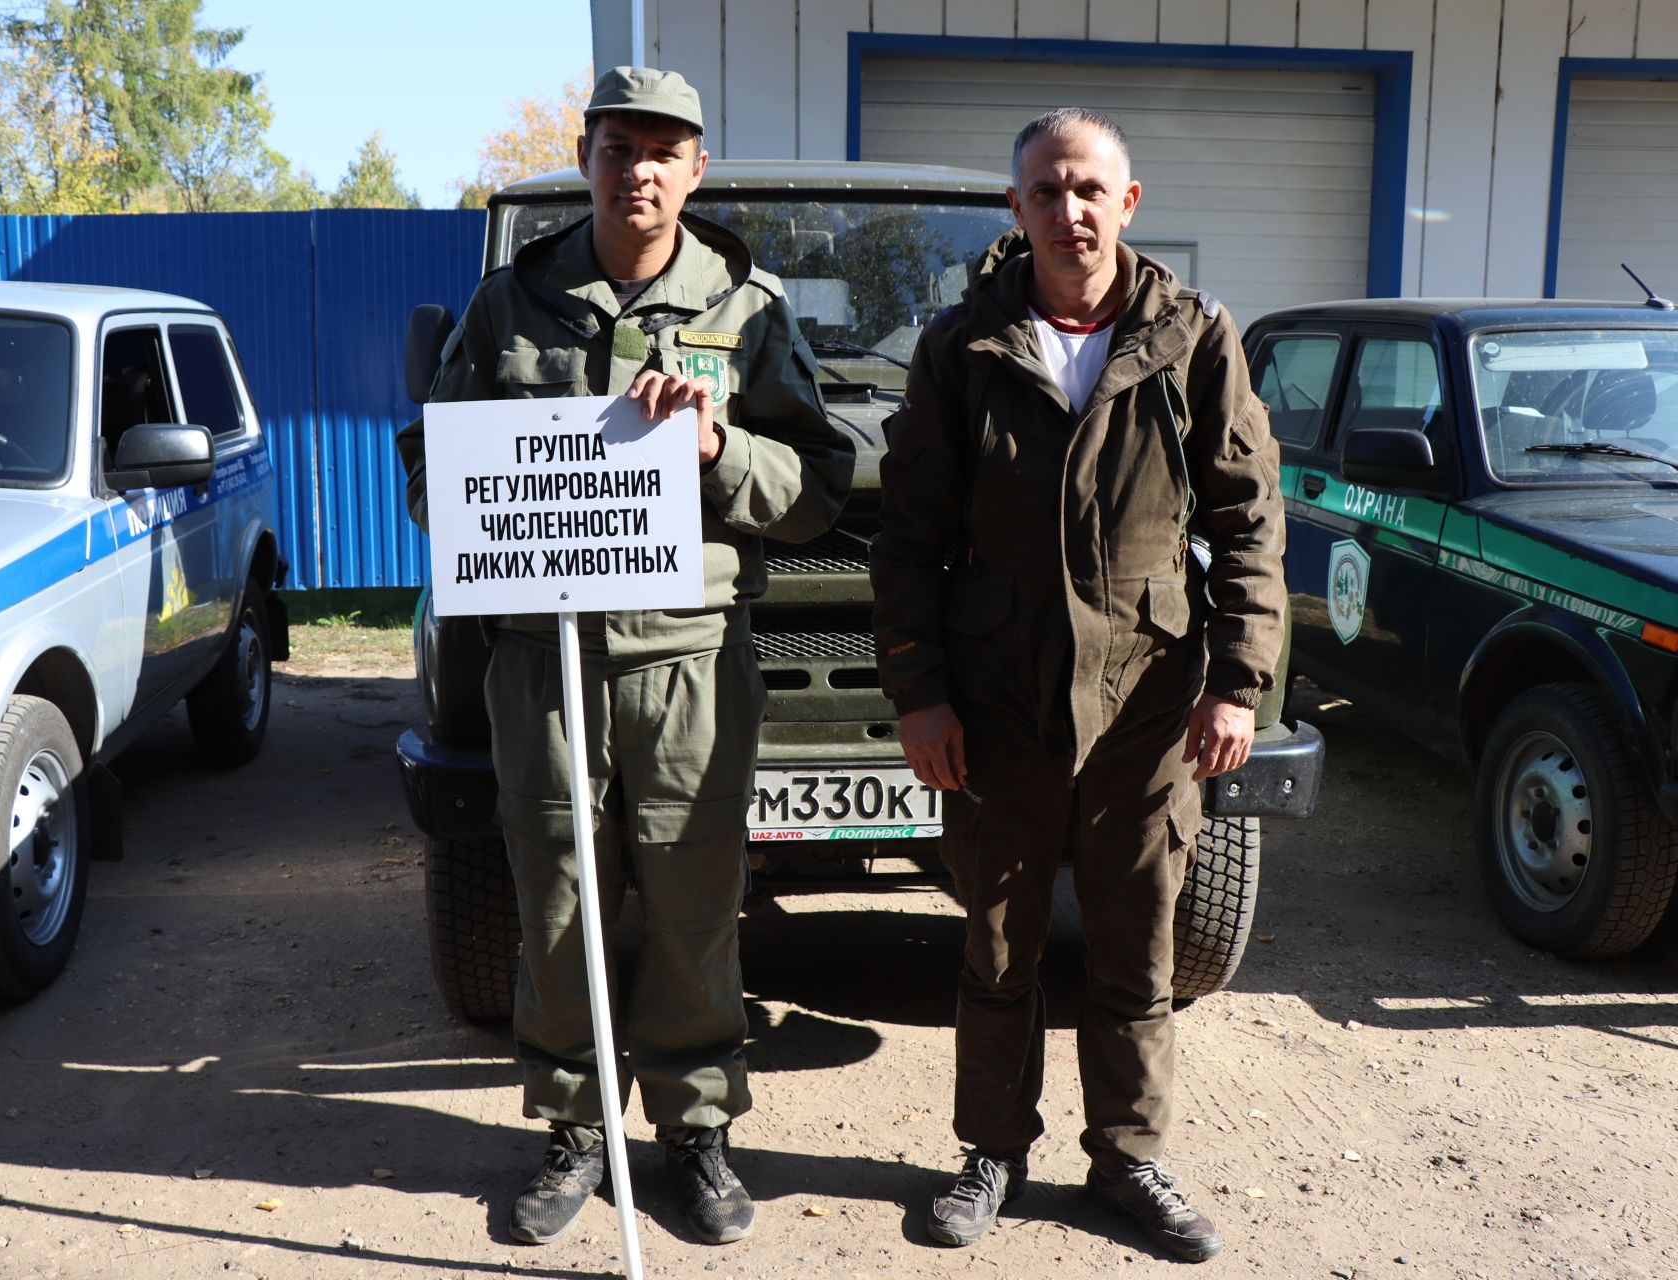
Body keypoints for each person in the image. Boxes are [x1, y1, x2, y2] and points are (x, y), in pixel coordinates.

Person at [398, 66, 852, 1247]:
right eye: (619, 145)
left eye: (666, 149)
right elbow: (426, 476)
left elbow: (814, 494)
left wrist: (716, 446)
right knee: (556, 895)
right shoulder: (511, 304)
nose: (640, 168)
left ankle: (695, 1130)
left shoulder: (745, 310)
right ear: (588, 154)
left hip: (688, 656)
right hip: (541, 657)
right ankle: (573, 1128)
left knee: (697, 897)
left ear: (696, 169)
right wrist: (473, 495)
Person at [869, 107, 1285, 1263]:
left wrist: (1239, 681)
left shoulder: (1194, 335)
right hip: (996, 700)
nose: (1069, 210)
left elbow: (1251, 521)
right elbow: (907, 539)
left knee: (1136, 944)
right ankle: (991, 1149)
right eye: (1046, 191)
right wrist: (919, 692)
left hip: (1149, 698)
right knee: (996, 944)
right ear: (1018, 209)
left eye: (1089, 189)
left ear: (1129, 202)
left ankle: (1128, 1155)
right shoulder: (962, 348)